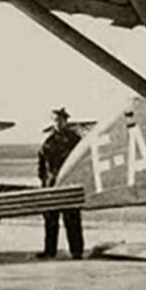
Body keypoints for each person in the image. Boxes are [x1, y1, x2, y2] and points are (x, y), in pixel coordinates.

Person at [37, 107, 84, 259]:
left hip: (69, 185)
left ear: (66, 121)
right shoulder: (48, 142)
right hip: (51, 186)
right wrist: (44, 183)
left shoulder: (75, 140)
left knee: (72, 220)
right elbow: (42, 166)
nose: (58, 123)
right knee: (50, 220)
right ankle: (50, 250)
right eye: (55, 120)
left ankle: (76, 251)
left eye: (60, 120)